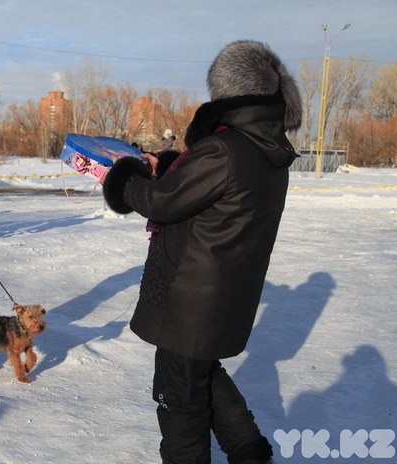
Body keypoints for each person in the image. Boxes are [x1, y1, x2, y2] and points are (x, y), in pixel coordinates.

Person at [103, 40, 302, 464]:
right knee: (202, 372)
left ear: (230, 94)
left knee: (180, 399)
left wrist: (122, 177)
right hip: (225, 296)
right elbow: (203, 193)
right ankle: (249, 450)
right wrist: (172, 165)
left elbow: (161, 202)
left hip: (190, 299)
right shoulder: (266, 149)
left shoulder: (224, 149)